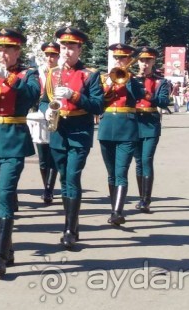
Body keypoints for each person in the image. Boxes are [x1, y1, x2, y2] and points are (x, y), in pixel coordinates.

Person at [0, 28, 39, 276]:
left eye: (7, 49)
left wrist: (9, 79)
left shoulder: (28, 74)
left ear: (17, 51)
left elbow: (31, 96)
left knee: (5, 195)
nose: (2, 53)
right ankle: (8, 247)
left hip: (14, 139)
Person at [41, 27, 104, 250]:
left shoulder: (90, 74)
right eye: (63, 47)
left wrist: (73, 95)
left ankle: (69, 229)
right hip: (58, 131)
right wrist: (45, 110)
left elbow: (98, 105)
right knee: (63, 178)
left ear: (79, 49)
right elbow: (43, 99)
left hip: (79, 131)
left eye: (71, 47)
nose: (66, 51)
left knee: (72, 177)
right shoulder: (52, 74)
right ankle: (71, 224)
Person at [98, 43, 145, 226]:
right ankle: (113, 208)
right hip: (107, 126)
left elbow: (138, 96)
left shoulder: (133, 79)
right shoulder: (103, 78)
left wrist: (128, 80)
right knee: (111, 173)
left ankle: (117, 212)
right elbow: (97, 100)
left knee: (121, 172)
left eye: (123, 58)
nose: (119, 61)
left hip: (127, 127)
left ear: (128, 60)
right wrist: (108, 84)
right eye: (116, 58)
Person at [132, 47, 171, 213]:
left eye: (148, 60)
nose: (145, 64)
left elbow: (163, 101)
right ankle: (142, 197)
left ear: (153, 62)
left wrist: (147, 95)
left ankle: (146, 200)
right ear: (138, 62)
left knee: (146, 159)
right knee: (138, 161)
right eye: (142, 60)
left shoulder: (161, 81)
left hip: (150, 123)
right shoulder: (131, 79)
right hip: (133, 123)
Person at [35, 42, 61, 205]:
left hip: (57, 116)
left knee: (53, 154)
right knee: (43, 156)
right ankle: (47, 186)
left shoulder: (60, 73)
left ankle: (48, 190)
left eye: (53, 55)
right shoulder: (38, 73)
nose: (50, 58)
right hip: (38, 115)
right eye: (47, 55)